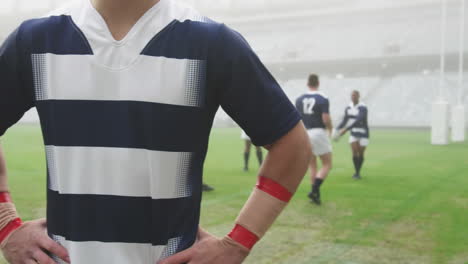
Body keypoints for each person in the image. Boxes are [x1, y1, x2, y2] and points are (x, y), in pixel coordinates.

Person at [0, 0, 312, 263]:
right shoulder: (37, 40)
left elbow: (293, 145)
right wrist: (6, 224)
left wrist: (237, 243)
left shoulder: (210, 43)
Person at [295, 74, 333, 205]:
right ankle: (315, 188)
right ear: (318, 83)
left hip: (305, 132)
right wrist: (331, 129)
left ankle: (315, 195)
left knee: (312, 165)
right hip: (318, 132)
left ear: (307, 83)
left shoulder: (299, 99)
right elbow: (325, 118)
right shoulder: (322, 98)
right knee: (327, 164)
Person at [335, 90, 369, 180]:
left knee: (361, 153)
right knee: (355, 152)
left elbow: (359, 120)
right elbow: (345, 120)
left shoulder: (362, 108)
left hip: (363, 132)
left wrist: (346, 129)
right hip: (353, 132)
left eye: (355, 96)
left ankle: (358, 171)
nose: (353, 97)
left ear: (358, 96)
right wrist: (336, 129)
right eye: (352, 96)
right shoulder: (348, 108)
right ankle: (356, 173)